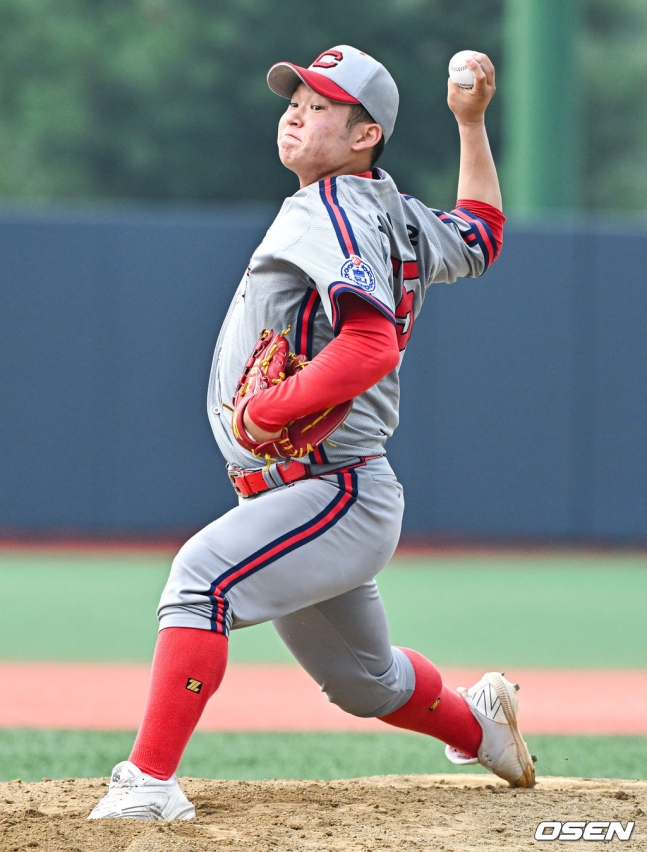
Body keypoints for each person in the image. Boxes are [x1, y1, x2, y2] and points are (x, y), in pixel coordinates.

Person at [89, 44, 535, 821]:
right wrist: (471, 124)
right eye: (294, 98)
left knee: (201, 580)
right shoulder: (391, 210)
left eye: (320, 104)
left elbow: (370, 345)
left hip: (332, 489)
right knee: (368, 683)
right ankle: (478, 723)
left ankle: (148, 785)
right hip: (318, 496)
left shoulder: (329, 208)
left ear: (365, 135)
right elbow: (482, 234)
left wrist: (268, 408)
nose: (296, 109)